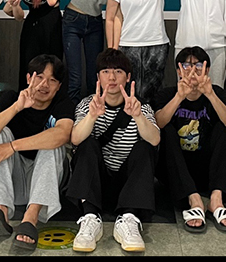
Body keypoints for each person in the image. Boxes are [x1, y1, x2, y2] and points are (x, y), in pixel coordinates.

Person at [0, 54, 74, 251]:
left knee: (52, 141)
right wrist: (16, 107)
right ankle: (0, 211)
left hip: (47, 183)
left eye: (52, 80)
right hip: (14, 184)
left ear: (58, 86)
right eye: (39, 77)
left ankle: (30, 219)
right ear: (29, 78)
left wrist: (12, 147)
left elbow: (62, 134)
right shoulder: (12, 97)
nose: (44, 85)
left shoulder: (63, 103)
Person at [67, 48, 160, 253]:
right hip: (96, 183)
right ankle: (90, 218)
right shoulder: (87, 104)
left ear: (128, 78)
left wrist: (138, 117)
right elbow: (75, 139)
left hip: (128, 184)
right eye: (106, 71)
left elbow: (155, 140)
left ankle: (129, 218)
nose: (111, 77)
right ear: (98, 77)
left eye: (118, 71)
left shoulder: (140, 106)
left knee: (145, 146)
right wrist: (92, 116)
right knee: (87, 143)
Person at [154, 46, 226, 233]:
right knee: (167, 130)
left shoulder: (216, 92)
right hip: (176, 170)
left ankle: (216, 200)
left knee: (225, 129)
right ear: (178, 71)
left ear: (207, 70)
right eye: (186, 65)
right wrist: (180, 96)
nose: (192, 70)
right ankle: (194, 200)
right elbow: (158, 123)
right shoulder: (167, 94)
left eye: (198, 65)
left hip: (207, 168)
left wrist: (209, 94)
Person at [105, 0, 181, 105]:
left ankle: (151, 121)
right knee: (127, 94)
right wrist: (112, 50)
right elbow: (110, 17)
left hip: (156, 44)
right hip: (127, 44)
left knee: (153, 94)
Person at [63, 0, 128, 105]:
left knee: (95, 75)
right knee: (75, 76)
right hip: (73, 19)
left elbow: (116, 11)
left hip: (95, 22)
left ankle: (93, 113)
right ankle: (71, 115)